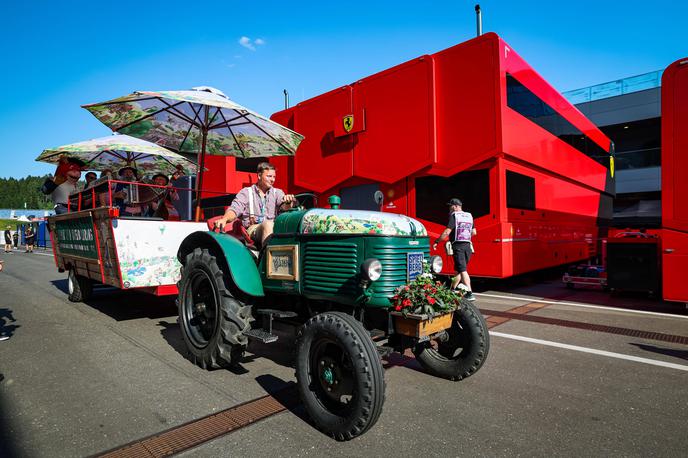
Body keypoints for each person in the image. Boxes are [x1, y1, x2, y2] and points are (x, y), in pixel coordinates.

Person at [214, 162, 296, 247]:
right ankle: (268, 258)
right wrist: (225, 219)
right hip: (253, 229)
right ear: (259, 176)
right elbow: (234, 209)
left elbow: (284, 207)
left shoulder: (277, 192)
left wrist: (288, 202)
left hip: (274, 228)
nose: (272, 180)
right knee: (268, 224)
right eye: (269, 176)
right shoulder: (246, 192)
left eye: (274, 177)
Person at [432, 198, 477, 301]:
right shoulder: (469, 215)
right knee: (458, 270)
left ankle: (469, 293)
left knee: (463, 270)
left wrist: (437, 241)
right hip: (467, 246)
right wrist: (465, 237)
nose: (449, 208)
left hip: (458, 247)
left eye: (451, 206)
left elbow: (447, 232)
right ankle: (452, 289)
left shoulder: (454, 216)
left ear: (456, 206)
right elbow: (474, 232)